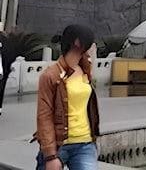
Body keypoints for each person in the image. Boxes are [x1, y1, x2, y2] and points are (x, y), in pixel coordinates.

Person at [33, 24, 101, 170]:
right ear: (77, 43)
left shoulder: (85, 70)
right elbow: (44, 115)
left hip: (84, 143)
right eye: (90, 42)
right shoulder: (50, 75)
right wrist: (50, 155)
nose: (92, 46)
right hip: (59, 144)